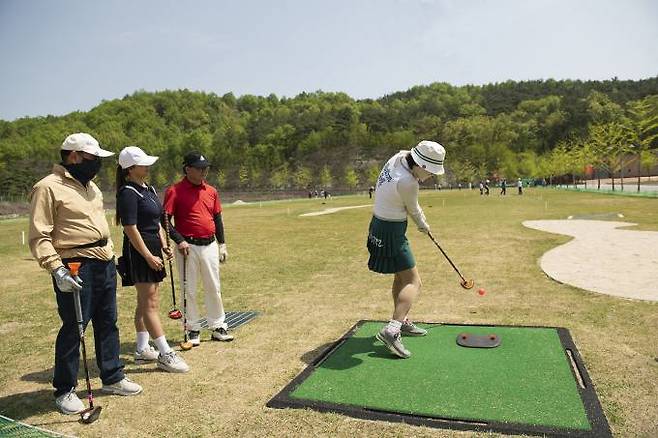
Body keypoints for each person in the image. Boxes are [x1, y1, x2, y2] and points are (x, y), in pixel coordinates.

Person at [28, 133, 142, 416]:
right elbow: (39, 236)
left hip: (104, 263)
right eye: (93, 159)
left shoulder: (92, 187)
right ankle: (65, 390)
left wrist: (112, 254)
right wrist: (56, 269)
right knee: (74, 328)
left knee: (108, 322)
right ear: (74, 156)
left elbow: (99, 226)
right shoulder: (47, 187)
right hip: (74, 266)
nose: (97, 165)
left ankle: (113, 376)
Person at [367, 140, 446, 358]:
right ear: (421, 165)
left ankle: (401, 322)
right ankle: (392, 331)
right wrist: (425, 226)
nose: (431, 176)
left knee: (400, 279)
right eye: (430, 172)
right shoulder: (409, 183)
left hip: (379, 224)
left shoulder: (399, 157)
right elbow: (414, 209)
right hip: (391, 230)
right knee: (414, 281)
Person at [116, 146, 189, 373]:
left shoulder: (148, 188)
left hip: (154, 248)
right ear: (130, 168)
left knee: (146, 301)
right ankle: (165, 352)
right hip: (139, 252)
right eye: (143, 163)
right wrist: (147, 255)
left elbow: (157, 221)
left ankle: (141, 349)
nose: (147, 166)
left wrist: (164, 245)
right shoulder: (128, 192)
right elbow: (130, 228)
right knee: (150, 304)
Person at [163, 151, 234, 346]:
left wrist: (222, 244)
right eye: (200, 168)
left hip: (209, 244)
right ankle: (193, 328)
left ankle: (218, 325)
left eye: (206, 168)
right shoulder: (174, 191)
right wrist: (179, 240)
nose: (204, 171)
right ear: (188, 169)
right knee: (190, 289)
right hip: (187, 246)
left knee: (214, 286)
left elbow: (217, 218)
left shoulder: (211, 191)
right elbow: (165, 220)